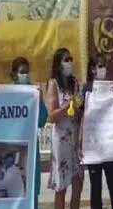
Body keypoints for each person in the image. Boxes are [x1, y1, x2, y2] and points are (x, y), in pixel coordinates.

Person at [80, 56, 113, 209]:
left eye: (104, 66)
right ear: (93, 69)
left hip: (109, 144)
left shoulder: (110, 87)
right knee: (95, 188)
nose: (103, 69)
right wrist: (81, 143)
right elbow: (82, 116)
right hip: (93, 146)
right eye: (100, 66)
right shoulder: (87, 88)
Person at [45, 48, 83, 209]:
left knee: (78, 180)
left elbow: (80, 112)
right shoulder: (53, 84)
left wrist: (80, 107)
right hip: (61, 138)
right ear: (59, 64)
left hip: (74, 137)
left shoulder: (74, 83)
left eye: (71, 59)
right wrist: (66, 106)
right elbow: (52, 116)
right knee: (62, 185)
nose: (70, 63)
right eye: (66, 60)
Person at [11, 57, 48, 208]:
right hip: (13, 150)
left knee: (31, 193)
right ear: (14, 75)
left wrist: (39, 99)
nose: (25, 75)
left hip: (31, 151)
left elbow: (42, 121)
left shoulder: (33, 94)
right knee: (14, 192)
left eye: (27, 72)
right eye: (22, 72)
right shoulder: (8, 94)